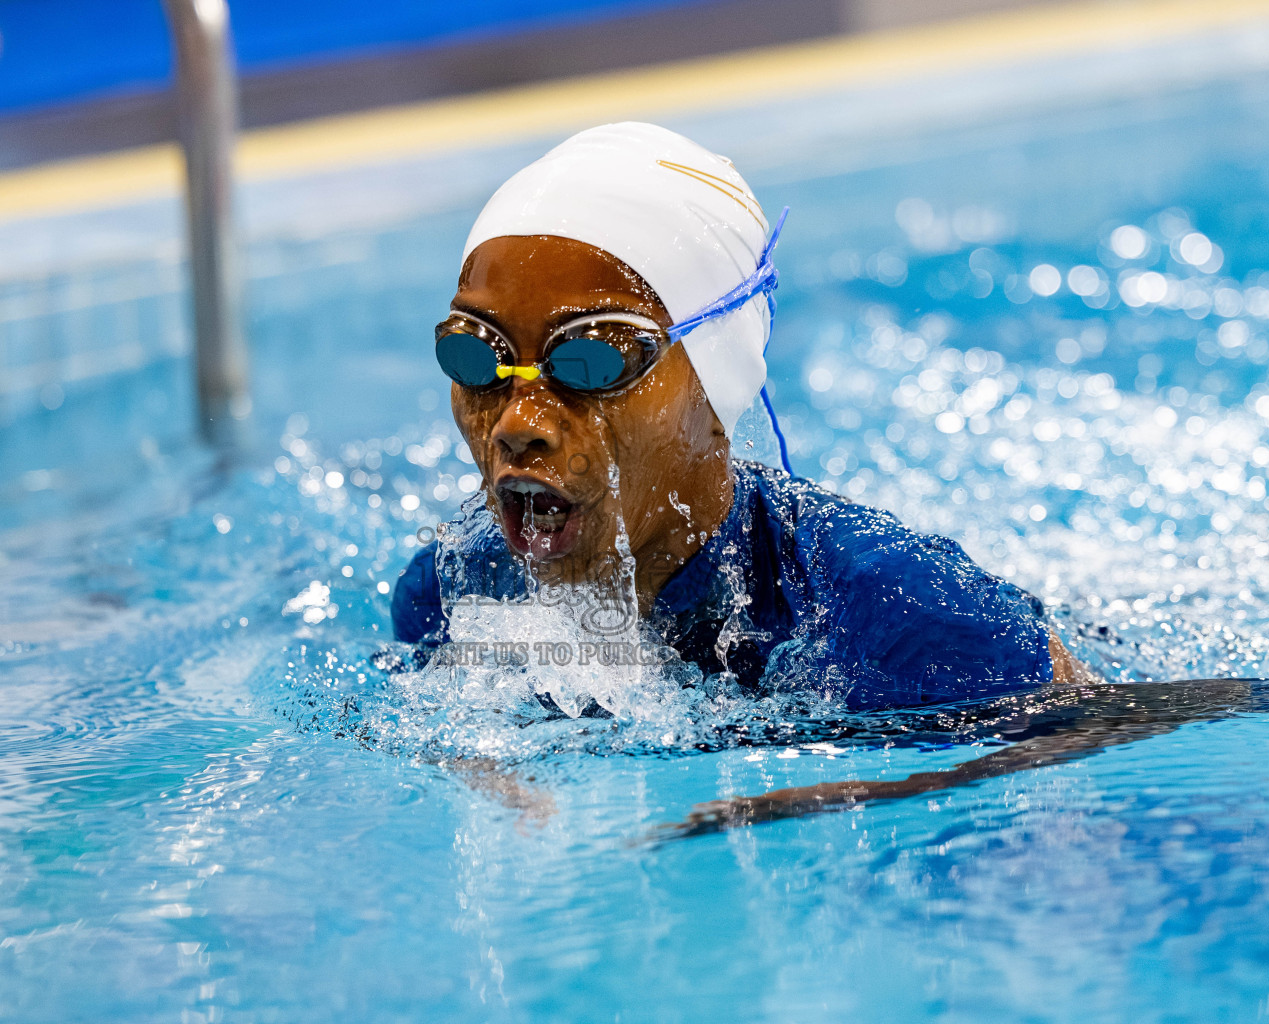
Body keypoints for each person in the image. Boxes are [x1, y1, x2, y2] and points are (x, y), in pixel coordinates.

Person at [391, 121, 1089, 713]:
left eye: (591, 361)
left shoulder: (894, 609)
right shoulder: (455, 593)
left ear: (715, 384)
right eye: (477, 358)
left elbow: (1105, 740)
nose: (519, 421)